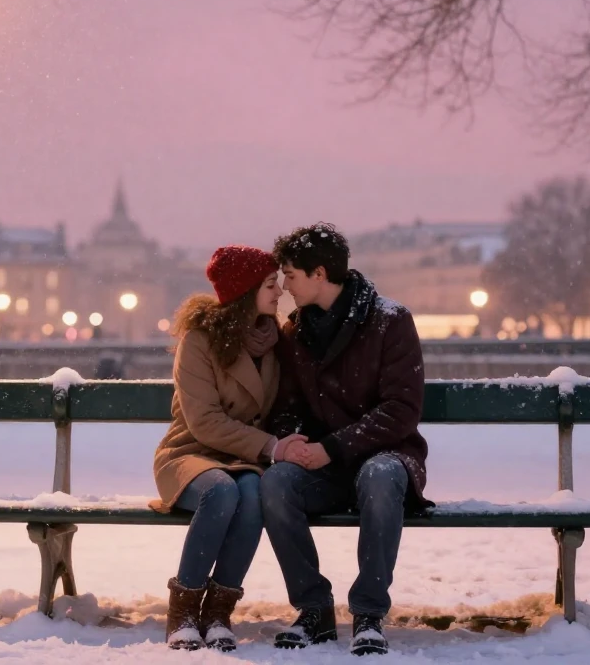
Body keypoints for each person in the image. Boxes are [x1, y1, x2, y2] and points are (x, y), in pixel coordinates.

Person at [261, 223, 429, 656]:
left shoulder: (390, 321)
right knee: (276, 482)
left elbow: (400, 410)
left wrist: (331, 447)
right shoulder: (295, 332)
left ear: (319, 273)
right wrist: (292, 441)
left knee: (379, 475)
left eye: (291, 275)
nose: (285, 285)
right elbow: (287, 405)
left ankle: (369, 614)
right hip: (325, 467)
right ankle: (313, 609)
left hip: (385, 457)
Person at [152, 245, 305, 651]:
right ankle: (183, 609)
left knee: (253, 493)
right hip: (189, 453)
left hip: (243, 459)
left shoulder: (274, 339)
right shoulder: (199, 341)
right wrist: (273, 446)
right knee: (221, 491)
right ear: (244, 290)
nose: (279, 294)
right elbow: (204, 422)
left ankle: (219, 611)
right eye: (270, 285)